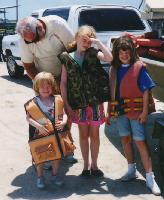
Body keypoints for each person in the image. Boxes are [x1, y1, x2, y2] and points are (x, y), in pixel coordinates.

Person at [16, 16, 77, 163]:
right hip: (43, 80)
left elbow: (74, 47)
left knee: (65, 114)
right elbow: (28, 66)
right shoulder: (25, 39)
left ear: (40, 28)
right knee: (44, 118)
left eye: (34, 40)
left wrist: (63, 78)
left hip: (65, 76)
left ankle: (66, 148)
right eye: (28, 41)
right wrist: (44, 84)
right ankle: (49, 150)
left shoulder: (57, 24)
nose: (32, 43)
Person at [108, 35, 161, 195]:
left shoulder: (139, 67)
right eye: (121, 53)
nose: (124, 55)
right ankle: (131, 169)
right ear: (117, 54)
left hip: (137, 112)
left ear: (131, 52)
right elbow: (112, 93)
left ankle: (150, 178)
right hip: (121, 112)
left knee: (140, 142)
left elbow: (146, 91)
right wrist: (109, 111)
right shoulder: (114, 69)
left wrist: (145, 112)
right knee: (125, 139)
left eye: (127, 52)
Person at [59, 25, 113, 177]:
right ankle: (86, 166)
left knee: (94, 135)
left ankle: (94, 165)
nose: (87, 43)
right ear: (76, 38)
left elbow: (110, 59)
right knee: (83, 135)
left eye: (89, 41)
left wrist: (98, 43)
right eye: (84, 40)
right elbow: (63, 82)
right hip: (78, 104)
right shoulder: (66, 57)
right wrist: (67, 104)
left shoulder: (94, 53)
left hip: (95, 103)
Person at [25, 72, 67, 189]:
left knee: (56, 156)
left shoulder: (57, 99)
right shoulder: (33, 102)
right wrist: (38, 126)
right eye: (42, 87)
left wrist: (64, 121)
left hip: (56, 134)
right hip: (40, 134)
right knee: (40, 157)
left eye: (48, 86)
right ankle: (40, 177)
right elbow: (28, 118)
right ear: (36, 87)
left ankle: (55, 175)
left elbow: (64, 114)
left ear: (52, 87)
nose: (45, 89)